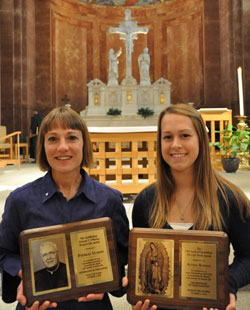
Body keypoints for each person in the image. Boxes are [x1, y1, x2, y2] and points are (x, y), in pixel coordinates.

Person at [0, 106, 129, 310]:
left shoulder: (110, 200)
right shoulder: (19, 200)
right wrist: (26, 273)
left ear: (84, 144)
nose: (62, 147)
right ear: (42, 146)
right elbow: (4, 252)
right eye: (52, 139)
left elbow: (122, 253)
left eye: (71, 138)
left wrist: (108, 278)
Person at [130, 103, 250, 310]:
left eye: (185, 135)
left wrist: (227, 286)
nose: (175, 144)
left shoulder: (231, 199)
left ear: (201, 141)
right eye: (167, 137)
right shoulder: (145, 201)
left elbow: (248, 256)